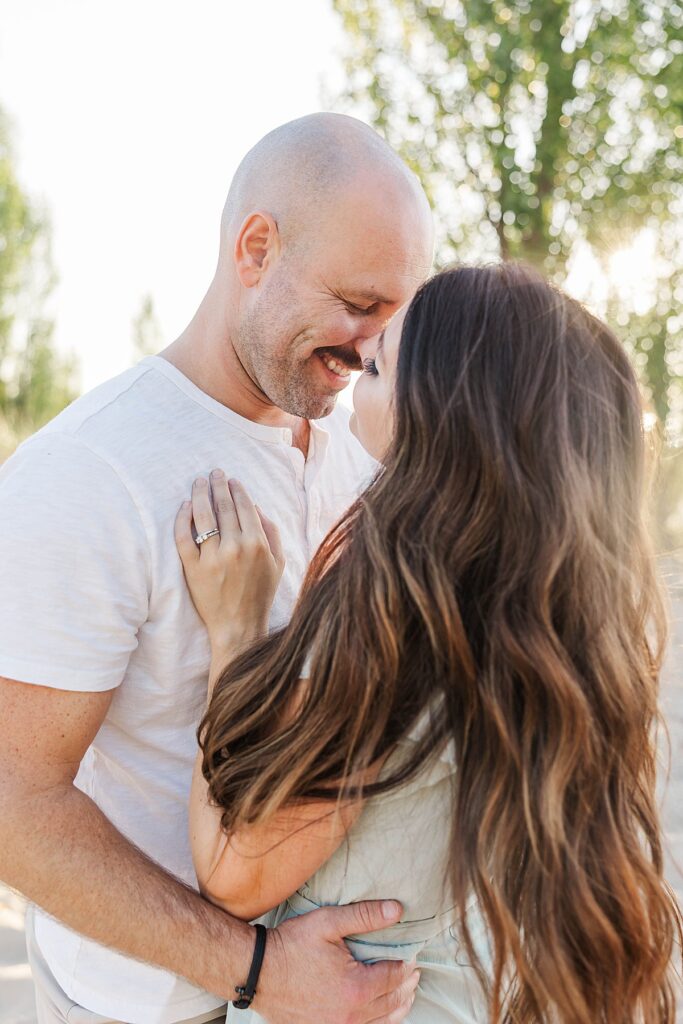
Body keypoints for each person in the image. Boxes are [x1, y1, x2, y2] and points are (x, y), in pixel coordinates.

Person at [0, 113, 434, 1024]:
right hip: (151, 1002)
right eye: (357, 303)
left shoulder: (364, 450)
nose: (371, 347)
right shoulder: (88, 474)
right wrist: (257, 969)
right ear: (256, 247)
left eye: (395, 316)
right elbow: (14, 803)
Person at [176, 264, 682, 1023]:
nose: (360, 349)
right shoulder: (553, 624)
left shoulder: (394, 626)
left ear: (449, 425)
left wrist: (238, 632)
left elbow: (231, 872)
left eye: (378, 367)